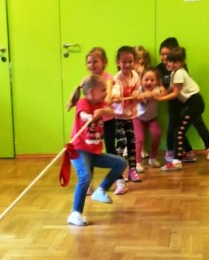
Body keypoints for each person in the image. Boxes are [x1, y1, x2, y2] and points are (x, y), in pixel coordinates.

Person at [66, 74, 127, 227]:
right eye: (103, 90)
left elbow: (111, 112)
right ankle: (75, 213)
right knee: (85, 176)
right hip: (79, 151)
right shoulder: (83, 102)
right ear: (91, 92)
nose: (106, 93)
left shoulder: (100, 103)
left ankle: (100, 190)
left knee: (120, 163)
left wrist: (102, 112)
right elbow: (82, 114)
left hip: (94, 153)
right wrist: (89, 117)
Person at [151, 46, 209, 170]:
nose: (171, 64)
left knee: (179, 131)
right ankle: (180, 159)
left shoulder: (179, 73)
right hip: (191, 104)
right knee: (178, 130)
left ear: (182, 62)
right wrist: (163, 93)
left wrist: (160, 99)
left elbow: (175, 94)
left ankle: (177, 161)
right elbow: (172, 88)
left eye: (175, 62)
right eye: (170, 61)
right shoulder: (174, 73)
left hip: (195, 103)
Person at [110, 46, 143, 193]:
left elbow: (138, 88)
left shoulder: (135, 75)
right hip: (118, 115)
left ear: (134, 62)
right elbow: (115, 90)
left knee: (131, 141)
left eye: (130, 61)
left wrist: (136, 93)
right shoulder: (117, 78)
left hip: (129, 114)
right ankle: (118, 170)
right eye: (124, 62)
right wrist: (116, 96)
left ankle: (132, 169)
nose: (127, 64)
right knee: (121, 141)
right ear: (118, 62)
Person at [133, 67, 163, 168]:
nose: (149, 82)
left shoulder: (157, 90)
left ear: (157, 82)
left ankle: (153, 158)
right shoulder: (138, 90)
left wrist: (146, 94)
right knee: (139, 139)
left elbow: (154, 94)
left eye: (152, 80)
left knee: (157, 134)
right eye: (146, 79)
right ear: (141, 80)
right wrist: (136, 95)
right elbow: (135, 96)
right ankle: (137, 162)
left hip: (151, 119)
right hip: (138, 118)